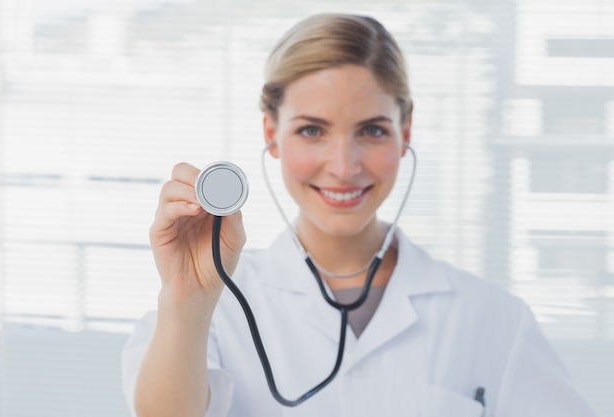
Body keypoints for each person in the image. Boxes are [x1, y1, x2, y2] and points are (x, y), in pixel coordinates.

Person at [121, 13, 598, 417]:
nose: (344, 167)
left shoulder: (493, 319)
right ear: (272, 133)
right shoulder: (211, 311)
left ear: (405, 131)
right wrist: (187, 301)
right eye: (311, 130)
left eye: (371, 130)